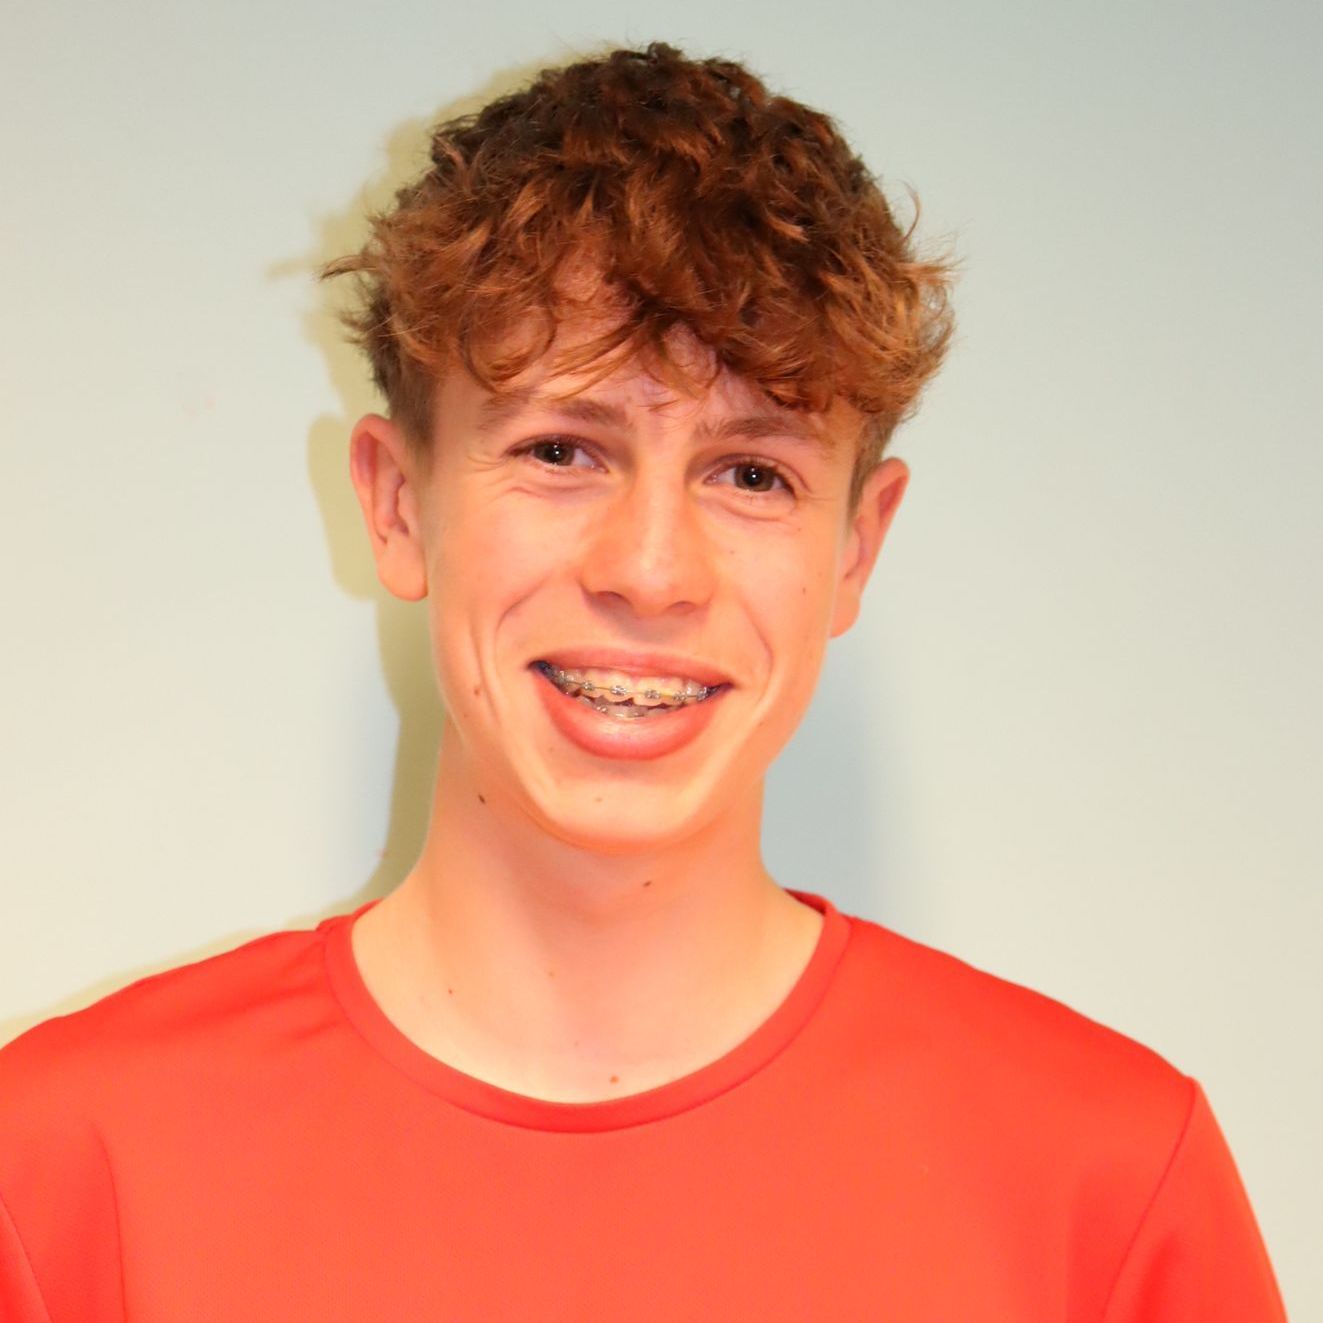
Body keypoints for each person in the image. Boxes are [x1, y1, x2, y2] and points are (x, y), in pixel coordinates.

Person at [0, 42, 1286, 1321]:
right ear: (398, 505)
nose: (654, 571)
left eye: (752, 474)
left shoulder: (1104, 1188)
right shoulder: (64, 1176)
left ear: (856, 546)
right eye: (562, 448)